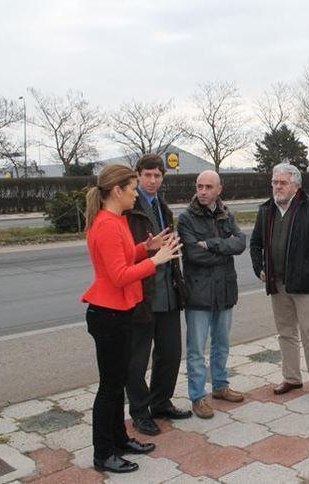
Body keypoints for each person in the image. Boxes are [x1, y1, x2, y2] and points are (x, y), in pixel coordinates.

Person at [82, 164, 182, 473]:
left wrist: (145, 247)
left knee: (116, 382)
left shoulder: (116, 220)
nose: (135, 194)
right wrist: (156, 260)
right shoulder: (107, 225)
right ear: (116, 191)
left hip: (118, 312)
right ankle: (103, 453)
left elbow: (124, 257)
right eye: (131, 189)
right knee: (110, 388)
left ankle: (119, 439)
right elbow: (120, 275)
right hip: (108, 314)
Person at [250, 163, 309, 399]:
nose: (278, 187)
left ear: (296, 185)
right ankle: (291, 378)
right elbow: (255, 242)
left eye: (283, 183)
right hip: (277, 283)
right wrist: (258, 266)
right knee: (285, 332)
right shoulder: (266, 210)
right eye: (275, 182)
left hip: (304, 283)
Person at [125, 154, 191, 436]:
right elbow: (129, 253)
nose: (152, 181)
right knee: (137, 359)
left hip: (168, 292)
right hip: (143, 293)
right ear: (138, 175)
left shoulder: (163, 206)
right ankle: (140, 411)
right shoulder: (130, 207)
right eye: (147, 175)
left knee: (170, 353)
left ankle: (161, 402)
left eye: (157, 176)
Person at [177, 170, 246, 419]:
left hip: (225, 290)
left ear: (219, 189)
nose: (203, 191)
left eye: (208, 187)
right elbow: (194, 255)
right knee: (196, 349)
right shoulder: (186, 218)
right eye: (199, 186)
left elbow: (240, 243)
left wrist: (214, 244)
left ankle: (220, 386)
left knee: (222, 344)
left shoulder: (226, 214)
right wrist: (224, 248)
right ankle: (198, 396)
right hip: (198, 292)